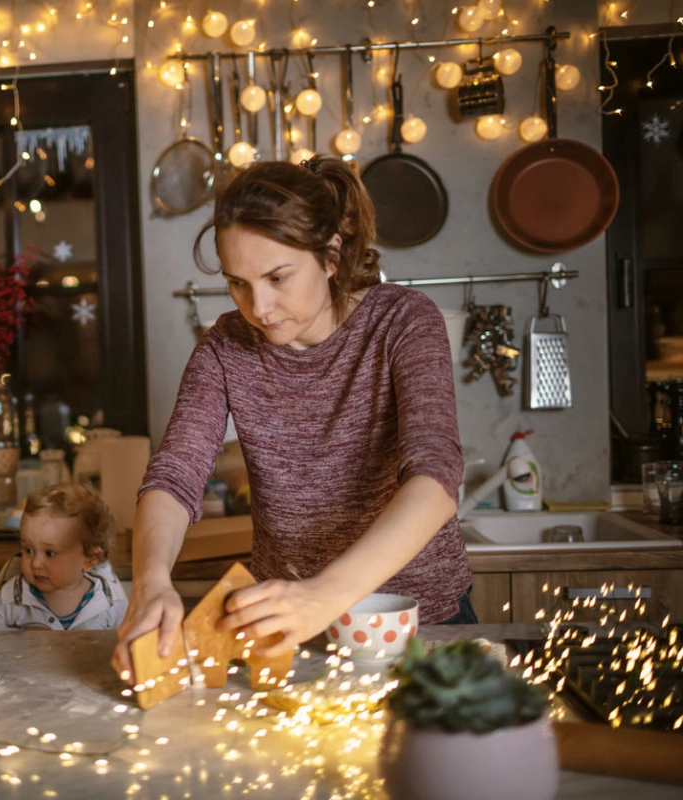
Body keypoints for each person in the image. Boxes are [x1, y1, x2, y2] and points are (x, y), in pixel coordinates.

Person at [112, 155, 474, 677]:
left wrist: (324, 595)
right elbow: (175, 475)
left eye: (278, 277)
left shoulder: (403, 321)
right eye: (237, 283)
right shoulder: (224, 349)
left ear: (331, 254)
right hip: (284, 627)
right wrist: (149, 585)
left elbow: (436, 476)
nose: (258, 307)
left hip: (419, 623)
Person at [0, 482, 128, 631]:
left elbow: (132, 644)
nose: (36, 564)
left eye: (50, 553)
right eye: (28, 550)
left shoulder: (111, 602)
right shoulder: (14, 595)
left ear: (90, 558)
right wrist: (21, 639)